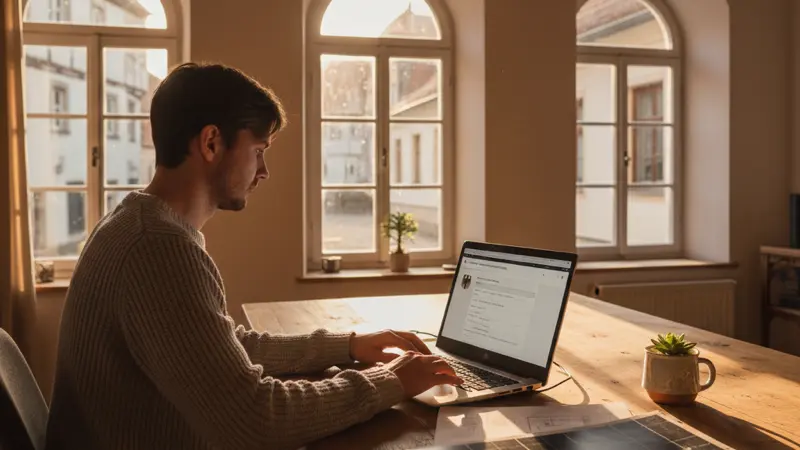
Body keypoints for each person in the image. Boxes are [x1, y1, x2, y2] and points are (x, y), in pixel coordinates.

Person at [45, 62, 462, 450]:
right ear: (211, 142)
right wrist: (390, 381)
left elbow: (218, 348)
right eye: (259, 150)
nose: (263, 172)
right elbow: (254, 418)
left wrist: (349, 345)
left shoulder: (135, 223)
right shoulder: (158, 248)